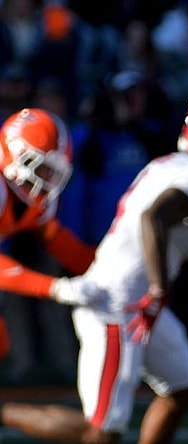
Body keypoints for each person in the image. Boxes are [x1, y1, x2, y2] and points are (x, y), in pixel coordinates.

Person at [0, 97, 188, 443]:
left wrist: (95, 273)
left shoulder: (172, 164)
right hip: (119, 306)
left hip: (131, 298)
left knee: (183, 384)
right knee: (99, 433)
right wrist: (157, 290)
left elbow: (61, 239)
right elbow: (153, 218)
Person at [0, 108, 99, 366]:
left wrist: (104, 269)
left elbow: (56, 240)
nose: (48, 178)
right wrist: (56, 288)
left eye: (53, 170)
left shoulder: (33, 197)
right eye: (41, 167)